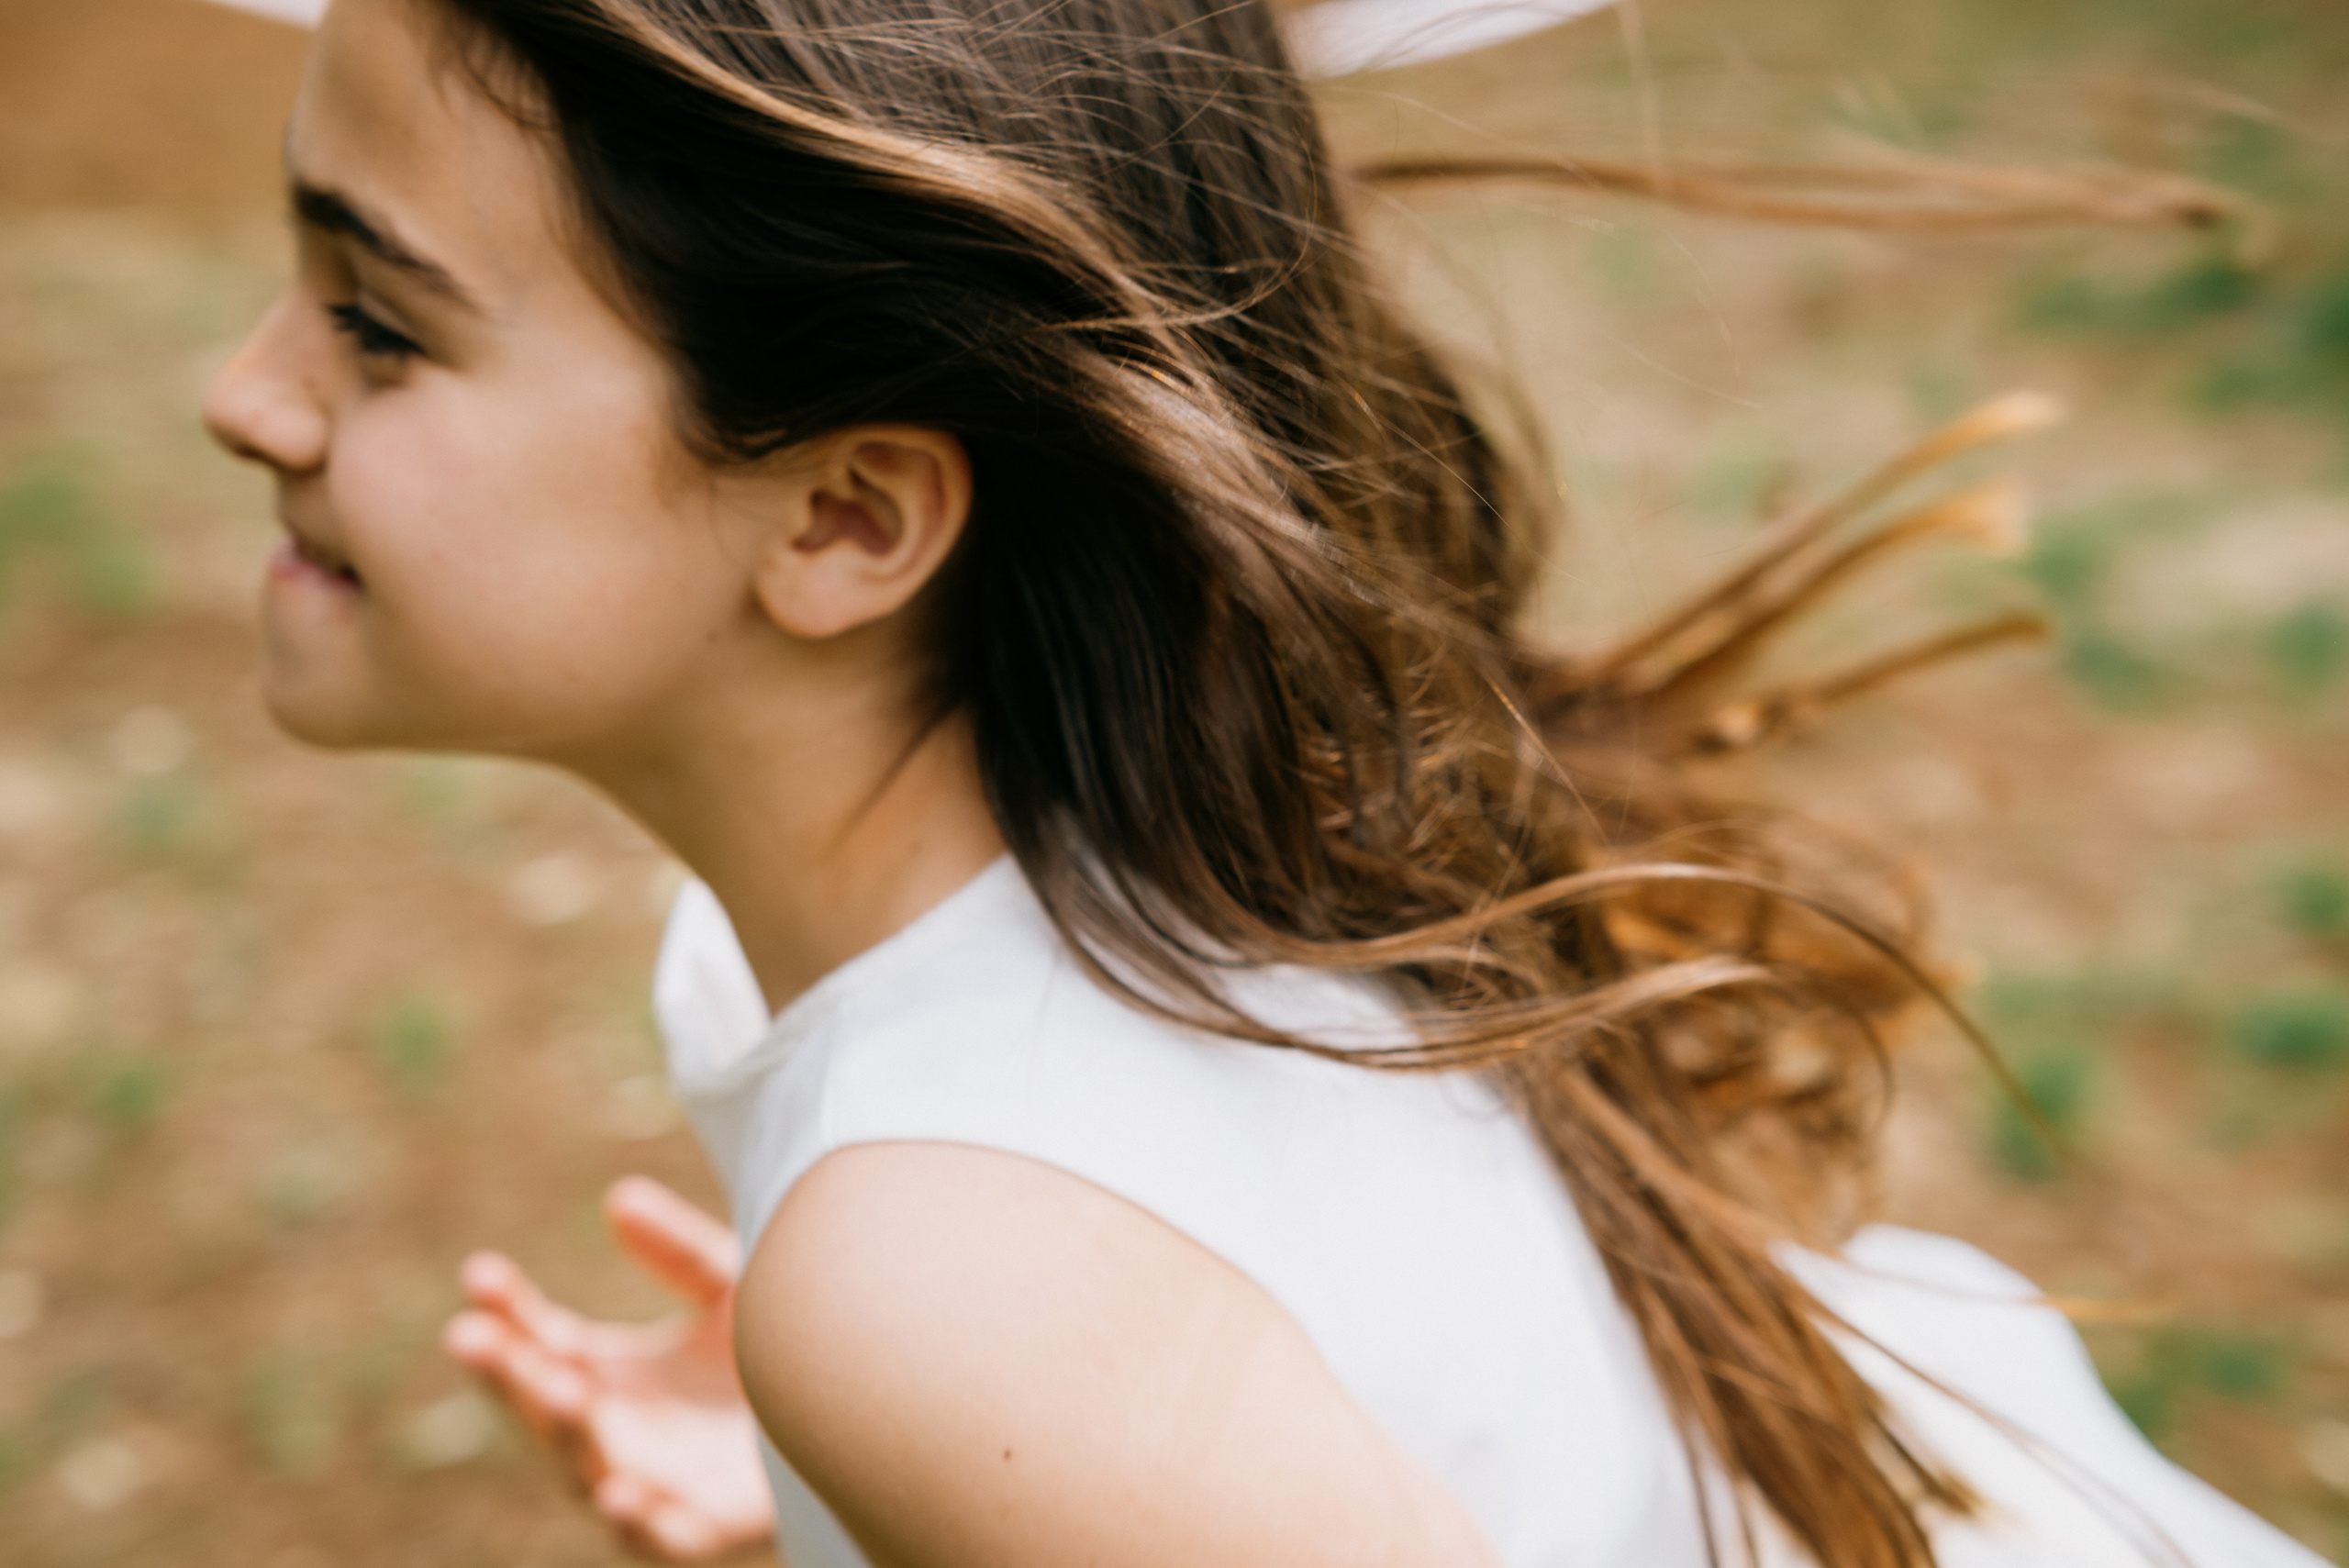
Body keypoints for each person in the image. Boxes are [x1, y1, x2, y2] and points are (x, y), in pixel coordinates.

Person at [197, 2, 2328, 1565]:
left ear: (846, 517)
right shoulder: (1205, 832)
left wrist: (992, 1406)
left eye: (379, 322)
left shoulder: (956, 1275)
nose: (246, 392)